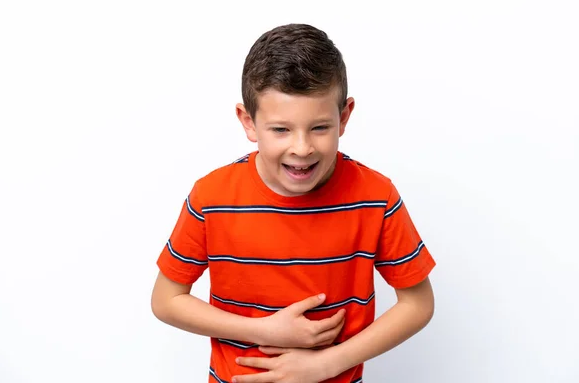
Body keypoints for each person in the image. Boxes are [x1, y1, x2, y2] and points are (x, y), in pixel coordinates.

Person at [151, 23, 436, 383]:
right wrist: (265, 331)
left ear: (344, 117)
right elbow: (165, 300)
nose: (302, 148)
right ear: (248, 122)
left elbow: (418, 303)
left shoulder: (376, 197)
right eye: (281, 130)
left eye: (319, 128)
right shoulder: (211, 196)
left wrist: (328, 364)